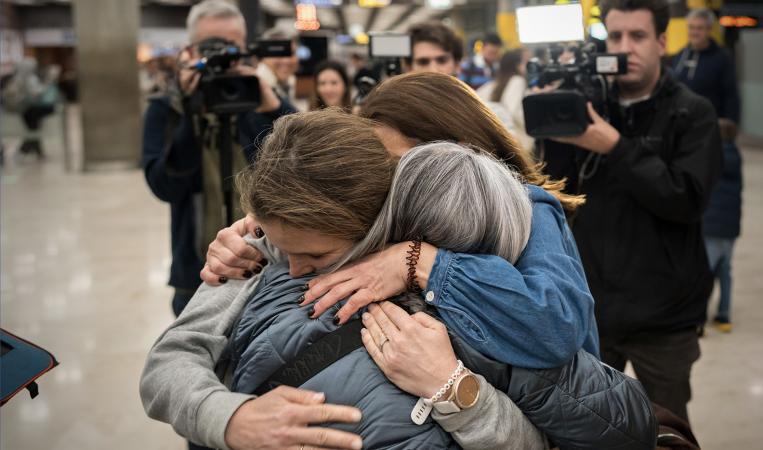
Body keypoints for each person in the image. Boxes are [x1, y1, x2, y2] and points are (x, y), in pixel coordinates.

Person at [143, 73, 611, 449]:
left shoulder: (519, 212)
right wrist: (230, 419)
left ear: (454, 158)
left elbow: (558, 347)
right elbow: (171, 361)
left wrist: (420, 264)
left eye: (397, 166)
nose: (381, 182)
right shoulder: (288, 234)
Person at [540, 0, 722, 423]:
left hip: (667, 318)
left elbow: (687, 199)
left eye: (637, 36)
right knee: (594, 428)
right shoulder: (587, 108)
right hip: (594, 311)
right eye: (615, 36)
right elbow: (557, 193)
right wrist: (555, 121)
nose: (625, 48)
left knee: (666, 427)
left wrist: (615, 148)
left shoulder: (692, 113)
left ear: (661, 42)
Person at [141, 0, 295, 317]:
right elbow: (163, 187)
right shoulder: (167, 107)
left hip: (270, 264)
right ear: (190, 52)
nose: (220, 57)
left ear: (245, 50)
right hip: (197, 271)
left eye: (229, 47)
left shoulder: (257, 98)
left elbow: (303, 168)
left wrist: (273, 107)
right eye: (210, 47)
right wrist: (189, 109)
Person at [672, 8, 743, 333]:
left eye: (701, 28)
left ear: (710, 30)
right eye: (692, 27)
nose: (695, 32)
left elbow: (731, 97)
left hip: (709, 140)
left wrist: (728, 130)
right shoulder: (680, 56)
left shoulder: (721, 59)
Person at [476, 47, 533, 151]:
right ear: (517, 65)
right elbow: (514, 111)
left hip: (498, 141)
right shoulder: (517, 81)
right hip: (518, 143)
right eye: (526, 62)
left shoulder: (495, 83)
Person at [255, 30, 305, 112]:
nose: (286, 61)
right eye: (279, 53)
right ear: (263, 56)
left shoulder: (290, 82)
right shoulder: (255, 87)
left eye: (291, 53)